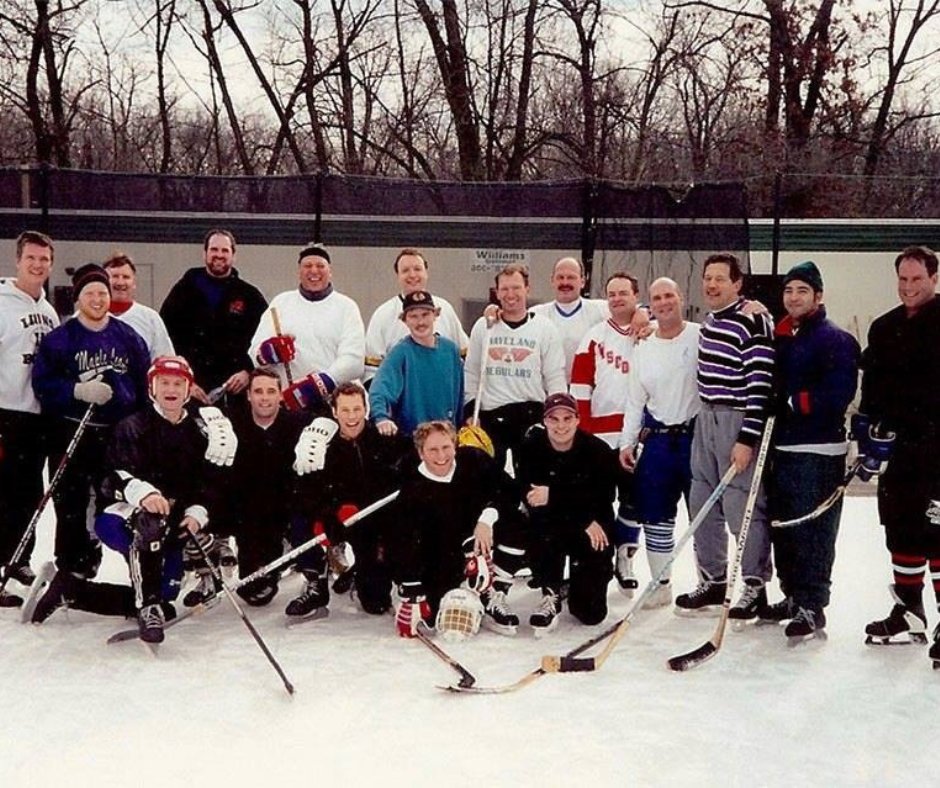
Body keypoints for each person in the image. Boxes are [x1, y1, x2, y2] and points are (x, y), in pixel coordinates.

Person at [31, 356, 236, 642]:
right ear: (152, 386)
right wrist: (144, 493)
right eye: (164, 382)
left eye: (178, 383)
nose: (171, 389)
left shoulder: (200, 432)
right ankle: (147, 607)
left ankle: (73, 592)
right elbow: (111, 477)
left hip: (170, 522)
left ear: (189, 389)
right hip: (120, 516)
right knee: (148, 527)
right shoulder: (132, 426)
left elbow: (206, 484)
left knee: (166, 595)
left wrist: (196, 513)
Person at [758, 262, 860, 643]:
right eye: (789, 291)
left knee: (812, 529)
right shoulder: (785, 336)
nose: (794, 297)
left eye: (802, 290)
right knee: (784, 525)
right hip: (782, 446)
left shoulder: (835, 339)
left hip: (817, 449)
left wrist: (789, 401)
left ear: (818, 296)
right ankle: (792, 594)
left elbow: (837, 395)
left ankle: (812, 603)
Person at [32, 263, 152, 583]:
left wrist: (139, 423)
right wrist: (77, 390)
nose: (97, 299)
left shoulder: (128, 337)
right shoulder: (61, 339)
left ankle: (138, 567)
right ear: (78, 299)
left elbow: (143, 385)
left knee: (116, 502)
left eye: (103, 292)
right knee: (70, 501)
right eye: (90, 293)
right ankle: (73, 566)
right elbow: (43, 384)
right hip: (72, 430)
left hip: (116, 435)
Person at [676, 252, 775, 619]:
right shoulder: (710, 321)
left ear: (737, 284)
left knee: (741, 504)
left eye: (720, 279)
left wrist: (747, 437)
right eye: (708, 278)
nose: (712, 285)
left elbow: (760, 383)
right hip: (707, 417)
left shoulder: (753, 319)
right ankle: (714, 579)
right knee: (702, 499)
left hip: (736, 419)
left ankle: (752, 584)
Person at [857, 246, 940, 662]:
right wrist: (866, 430)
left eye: (917, 280)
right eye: (903, 280)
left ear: (934, 279)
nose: (909, 287)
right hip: (899, 451)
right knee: (901, 529)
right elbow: (873, 385)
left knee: (937, 534)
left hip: (937, 450)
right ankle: (910, 611)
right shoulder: (884, 327)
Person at [393, 420, 527, 638]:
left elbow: (509, 492)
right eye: (433, 450)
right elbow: (403, 543)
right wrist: (412, 591)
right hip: (439, 555)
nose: (441, 456)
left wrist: (487, 518)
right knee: (437, 614)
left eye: (446, 447)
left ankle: (493, 593)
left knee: (517, 523)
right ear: (421, 453)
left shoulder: (474, 460)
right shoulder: (411, 490)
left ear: (455, 445)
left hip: (476, 535)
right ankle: (461, 584)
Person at [289, 382, 410, 619]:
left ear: (365, 409)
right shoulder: (321, 445)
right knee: (302, 522)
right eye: (345, 410)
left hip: (373, 523)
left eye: (357, 409)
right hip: (338, 520)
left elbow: (411, 465)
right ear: (334, 412)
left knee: (376, 602)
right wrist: (329, 513)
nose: (352, 416)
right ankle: (317, 582)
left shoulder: (383, 438)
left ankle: (359, 572)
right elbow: (305, 491)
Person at [618, 278, 701, 610]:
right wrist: (627, 442)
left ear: (681, 297)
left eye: (670, 295)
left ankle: (711, 581)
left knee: (705, 515)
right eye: (657, 298)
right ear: (649, 305)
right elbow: (635, 399)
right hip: (658, 442)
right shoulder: (644, 344)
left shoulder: (700, 335)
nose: (664, 302)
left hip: (696, 439)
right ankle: (661, 582)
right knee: (656, 514)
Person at [515, 393, 618, 634]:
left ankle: (577, 583)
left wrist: (554, 495)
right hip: (557, 525)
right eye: (554, 419)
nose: (561, 425)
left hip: (592, 529)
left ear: (577, 419)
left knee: (591, 615)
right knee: (541, 524)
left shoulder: (597, 450)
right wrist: (578, 511)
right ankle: (550, 589)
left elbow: (603, 498)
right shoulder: (531, 448)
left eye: (567, 418)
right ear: (545, 421)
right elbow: (532, 499)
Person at [570, 271, 642, 594]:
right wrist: (582, 437)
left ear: (635, 296)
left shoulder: (649, 333)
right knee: (598, 501)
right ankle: (595, 558)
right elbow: (580, 388)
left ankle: (626, 556)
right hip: (598, 437)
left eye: (623, 293)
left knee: (633, 501)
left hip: (636, 436)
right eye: (611, 293)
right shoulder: (594, 336)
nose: (616, 299)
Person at [219, 368, 311, 606]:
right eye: (258, 391)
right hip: (247, 511)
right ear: (248, 395)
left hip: (287, 506)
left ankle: (305, 562)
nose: (264, 397)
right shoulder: (232, 421)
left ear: (281, 395)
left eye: (271, 391)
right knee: (254, 592)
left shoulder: (298, 422)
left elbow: (329, 421)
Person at [0, 230, 59, 604]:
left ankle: (17, 558)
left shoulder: (48, 309)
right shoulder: (2, 303)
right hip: (6, 413)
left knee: (29, 493)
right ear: (17, 260)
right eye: (31, 259)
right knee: (4, 492)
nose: (38, 266)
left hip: (37, 415)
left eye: (44, 260)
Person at [464, 263, 566, 468]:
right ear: (497, 292)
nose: (511, 294)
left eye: (516, 288)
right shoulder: (484, 326)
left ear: (527, 289)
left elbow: (554, 376)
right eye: (505, 289)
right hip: (492, 416)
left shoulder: (544, 328)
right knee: (492, 483)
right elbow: (471, 371)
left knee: (532, 479)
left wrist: (557, 413)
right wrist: (469, 411)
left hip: (530, 414)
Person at [248, 244, 364, 417]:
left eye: (320, 266)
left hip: (331, 406)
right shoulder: (281, 303)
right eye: (307, 266)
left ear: (330, 271)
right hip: (289, 406)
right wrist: (268, 352)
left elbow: (354, 361)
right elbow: (253, 355)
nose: (314, 271)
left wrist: (318, 384)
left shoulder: (346, 306)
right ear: (299, 271)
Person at [160, 228, 267, 403]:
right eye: (214, 249)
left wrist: (248, 372)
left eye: (225, 250)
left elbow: (263, 342)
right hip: (191, 391)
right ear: (205, 253)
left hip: (234, 394)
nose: (219, 255)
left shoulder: (250, 296)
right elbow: (164, 339)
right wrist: (183, 379)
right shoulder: (183, 291)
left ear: (234, 255)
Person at [369, 291, 464, 437]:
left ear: (435, 315)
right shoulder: (400, 353)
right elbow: (379, 390)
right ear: (405, 321)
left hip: (447, 439)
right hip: (414, 440)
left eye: (425, 315)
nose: (420, 322)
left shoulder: (450, 350)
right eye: (413, 316)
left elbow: (459, 394)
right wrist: (381, 417)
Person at [364, 248, 468, 381]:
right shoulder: (382, 315)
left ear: (426, 272)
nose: (412, 275)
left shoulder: (445, 309)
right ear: (398, 276)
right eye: (405, 270)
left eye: (417, 269)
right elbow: (371, 371)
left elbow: (465, 359)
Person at [531, 257, 609, 380]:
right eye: (560, 277)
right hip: (549, 392)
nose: (565, 282)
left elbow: (634, 309)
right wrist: (492, 310)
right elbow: (508, 319)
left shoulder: (601, 309)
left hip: (588, 391)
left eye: (571, 277)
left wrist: (640, 314)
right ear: (552, 281)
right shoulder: (536, 314)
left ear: (583, 281)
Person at [104, 252, 175, 360]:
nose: (120, 282)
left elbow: (165, 361)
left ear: (134, 283)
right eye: (115, 276)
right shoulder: (84, 318)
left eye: (126, 277)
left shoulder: (151, 318)